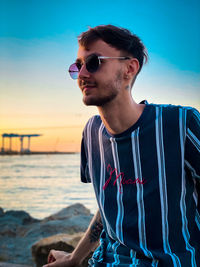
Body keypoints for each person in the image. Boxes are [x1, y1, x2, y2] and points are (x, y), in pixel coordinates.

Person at [43, 25, 200, 267]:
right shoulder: (92, 132)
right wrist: (75, 258)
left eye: (93, 62)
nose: (82, 74)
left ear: (129, 68)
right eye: (78, 66)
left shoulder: (180, 124)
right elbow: (109, 206)